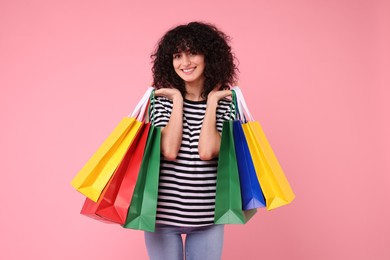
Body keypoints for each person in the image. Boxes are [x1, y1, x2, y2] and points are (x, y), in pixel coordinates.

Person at [146, 21, 238, 260]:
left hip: (208, 218)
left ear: (209, 57)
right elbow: (169, 150)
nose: (185, 63)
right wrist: (177, 99)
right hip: (161, 218)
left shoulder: (226, 104)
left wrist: (212, 104)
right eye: (178, 55)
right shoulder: (161, 101)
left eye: (193, 53)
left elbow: (208, 151)